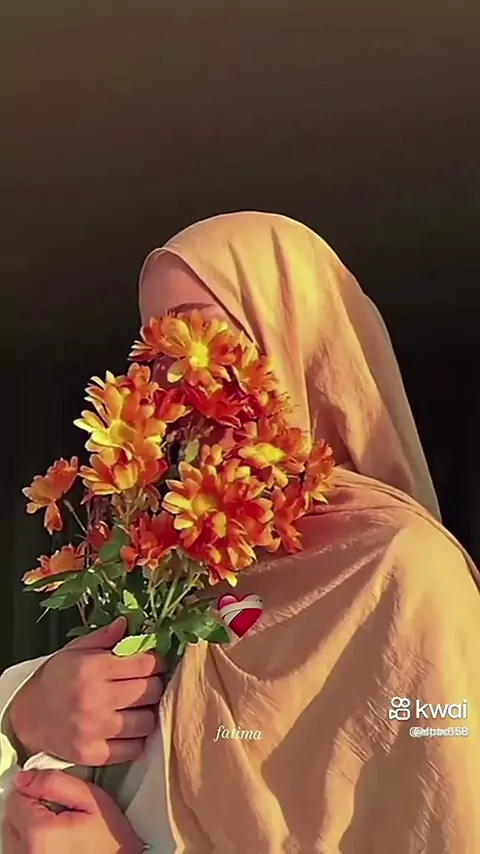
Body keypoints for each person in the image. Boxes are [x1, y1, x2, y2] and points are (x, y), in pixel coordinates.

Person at [1, 211, 479, 853]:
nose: (166, 376)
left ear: (294, 336)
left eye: (198, 329)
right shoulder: (178, 567)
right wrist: (25, 714)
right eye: (154, 345)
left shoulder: (403, 574)